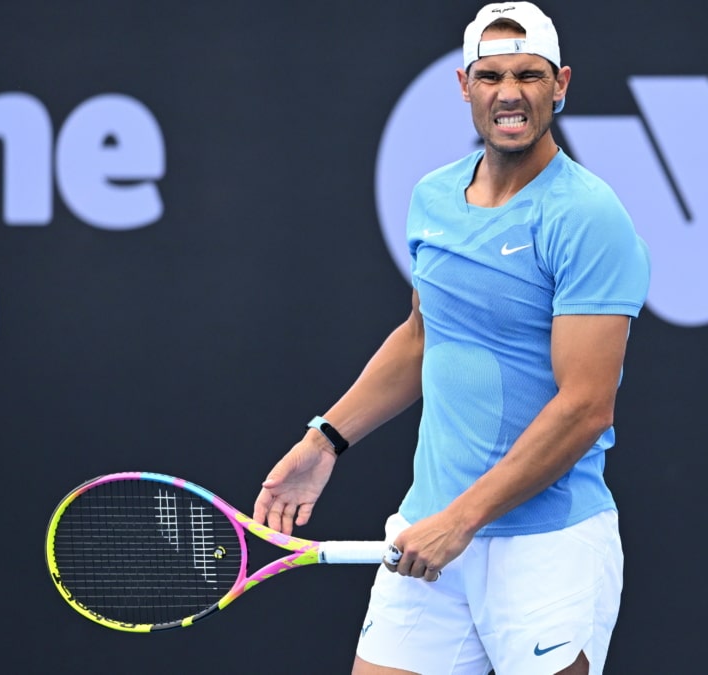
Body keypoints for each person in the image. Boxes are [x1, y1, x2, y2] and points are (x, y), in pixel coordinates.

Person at [253, 3, 650, 673]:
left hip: (546, 547)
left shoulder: (587, 216)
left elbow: (587, 407)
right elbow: (421, 336)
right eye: (491, 76)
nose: (511, 94)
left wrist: (463, 520)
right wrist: (325, 440)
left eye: (530, 74)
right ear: (465, 87)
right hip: (430, 534)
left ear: (562, 84)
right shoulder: (432, 199)